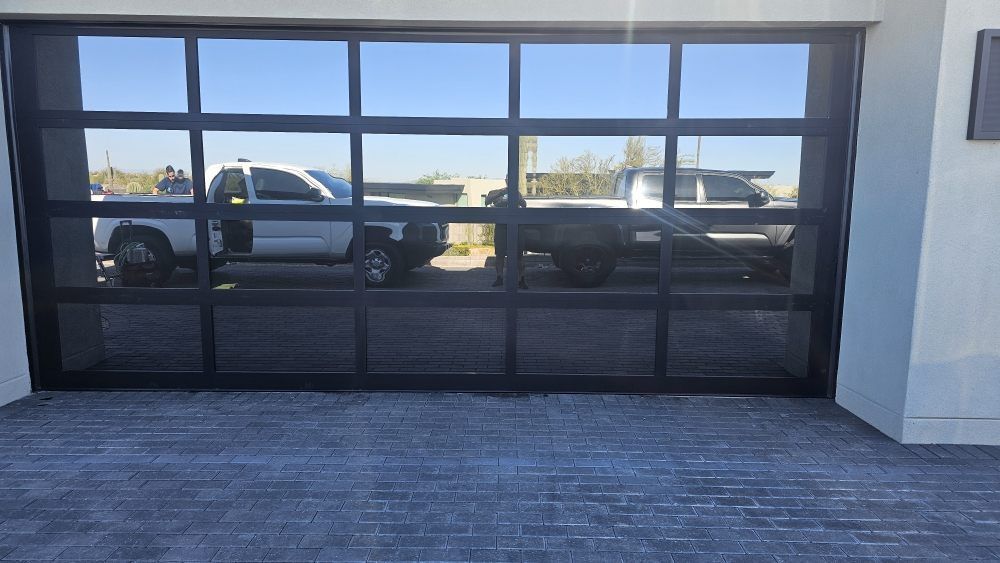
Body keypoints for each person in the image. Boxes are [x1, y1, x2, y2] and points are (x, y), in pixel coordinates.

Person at [485, 177, 528, 289]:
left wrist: (516, 198)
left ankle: (521, 279)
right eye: (509, 179)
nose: (511, 181)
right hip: (501, 227)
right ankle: (499, 278)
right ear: (506, 180)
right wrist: (500, 193)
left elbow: (524, 204)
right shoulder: (497, 192)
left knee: (519, 254)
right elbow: (487, 201)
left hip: (516, 227)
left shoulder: (517, 193)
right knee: (499, 254)